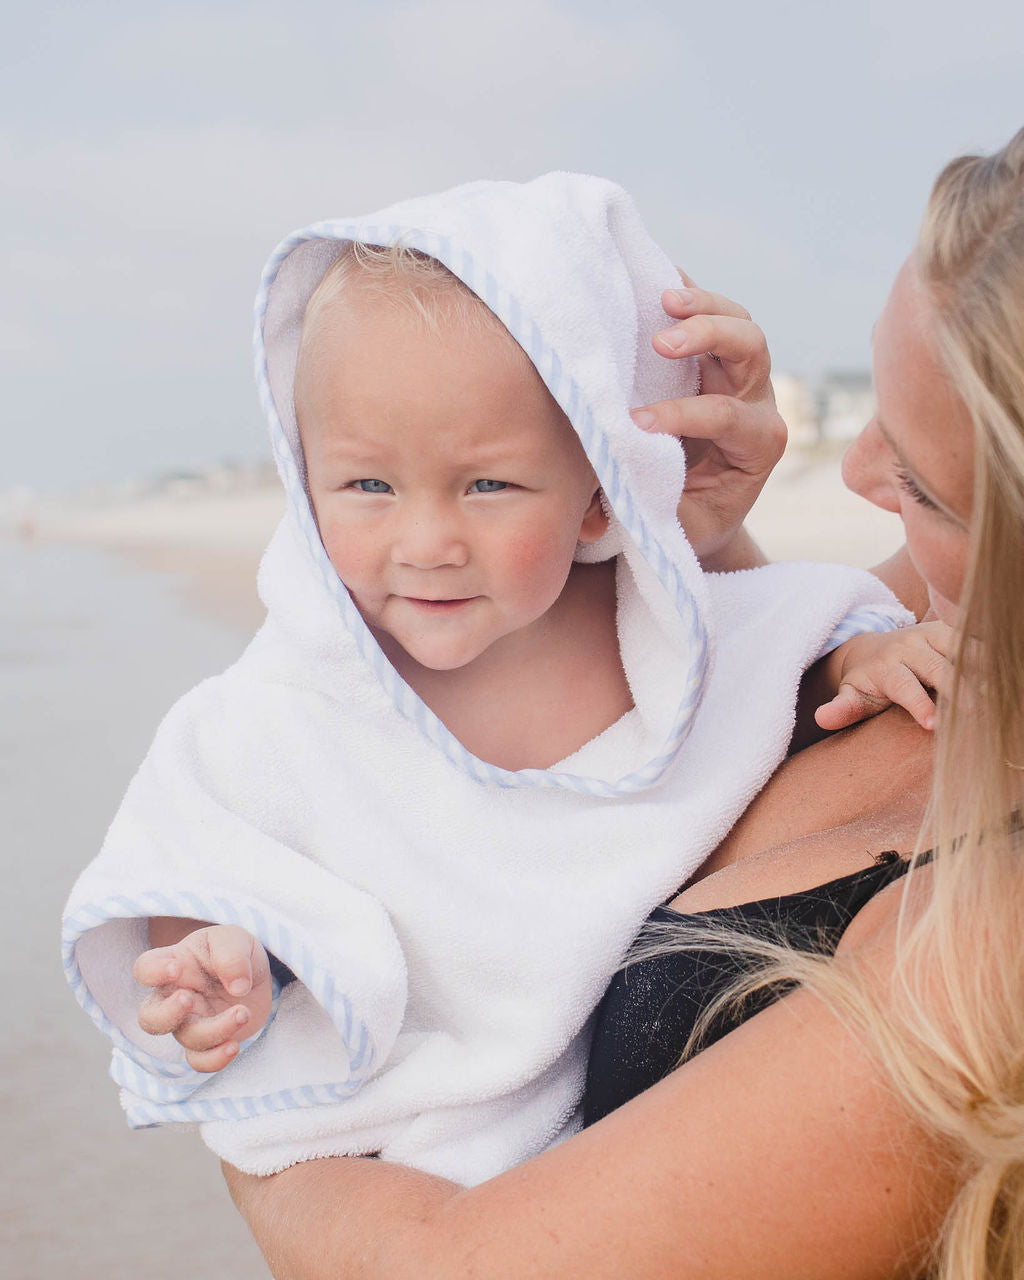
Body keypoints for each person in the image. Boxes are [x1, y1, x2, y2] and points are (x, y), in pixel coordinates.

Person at [222, 129, 1024, 1280]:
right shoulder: (944, 618)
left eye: (923, 481)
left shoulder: (981, 948)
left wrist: (261, 1111)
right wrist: (698, 534)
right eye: (878, 410)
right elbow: (761, 694)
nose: (851, 475)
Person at [64, 175, 933, 1189]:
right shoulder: (295, 700)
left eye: (488, 484)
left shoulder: (648, 636)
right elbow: (219, 845)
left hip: (607, 1176)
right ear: (305, 482)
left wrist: (856, 657)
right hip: (419, 1150)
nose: (427, 542)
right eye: (367, 485)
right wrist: (223, 953)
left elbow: (775, 638)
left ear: (601, 497)